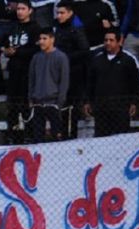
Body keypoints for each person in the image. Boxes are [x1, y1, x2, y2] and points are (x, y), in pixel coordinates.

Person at [85, 29, 139, 137]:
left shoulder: (128, 60)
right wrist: (88, 101)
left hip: (120, 108)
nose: (108, 43)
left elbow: (135, 83)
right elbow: (90, 83)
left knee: (121, 138)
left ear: (119, 42)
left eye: (111, 40)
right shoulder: (97, 60)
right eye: (106, 40)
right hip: (101, 109)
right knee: (101, 139)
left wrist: (134, 102)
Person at [1, 0, 39, 144]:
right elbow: (3, 45)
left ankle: (30, 137)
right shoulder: (12, 27)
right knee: (12, 107)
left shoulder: (35, 28)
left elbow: (35, 50)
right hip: (13, 73)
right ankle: (13, 137)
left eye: (23, 9)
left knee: (26, 107)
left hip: (28, 73)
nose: (19, 11)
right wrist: (6, 50)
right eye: (18, 9)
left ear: (30, 10)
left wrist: (16, 52)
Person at [54, 1, 89, 139]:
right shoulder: (57, 28)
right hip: (59, 73)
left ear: (70, 13)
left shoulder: (76, 30)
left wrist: (65, 57)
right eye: (57, 13)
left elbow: (84, 50)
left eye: (62, 13)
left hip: (74, 73)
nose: (59, 16)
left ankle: (70, 135)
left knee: (71, 107)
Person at [28, 27, 69, 142]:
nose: (41, 41)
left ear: (52, 39)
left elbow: (64, 81)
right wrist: (31, 98)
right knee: (37, 137)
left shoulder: (61, 57)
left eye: (44, 38)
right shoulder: (36, 57)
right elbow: (32, 79)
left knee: (56, 136)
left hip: (53, 103)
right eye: (40, 38)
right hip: (38, 103)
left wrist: (59, 102)